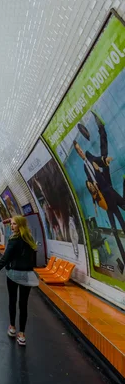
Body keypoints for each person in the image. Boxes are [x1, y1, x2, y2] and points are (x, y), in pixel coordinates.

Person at [75, 109, 125, 273]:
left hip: (109, 191)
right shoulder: (86, 168)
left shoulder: (93, 160)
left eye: (81, 150)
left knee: (120, 220)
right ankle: (123, 258)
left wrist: (103, 160)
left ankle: (100, 126)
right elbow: (92, 184)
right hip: (105, 196)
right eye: (79, 151)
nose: (81, 152)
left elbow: (100, 158)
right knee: (114, 228)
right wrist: (95, 198)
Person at [0, 215, 38, 346]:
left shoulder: (13, 240)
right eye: (12, 224)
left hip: (13, 274)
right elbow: (34, 260)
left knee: (12, 300)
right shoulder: (30, 240)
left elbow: (5, 258)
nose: (12, 226)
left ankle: (12, 327)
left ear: (20, 225)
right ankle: (22, 334)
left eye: (15, 224)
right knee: (23, 304)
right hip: (27, 274)